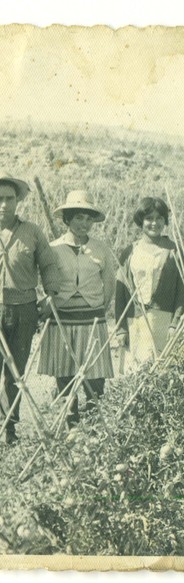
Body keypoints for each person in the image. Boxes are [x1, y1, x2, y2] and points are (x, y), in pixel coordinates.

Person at [38, 190, 115, 427]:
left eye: (88, 218)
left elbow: (110, 282)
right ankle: (69, 423)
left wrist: (100, 307)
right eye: (79, 217)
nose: (84, 223)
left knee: (95, 376)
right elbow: (45, 279)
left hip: (92, 319)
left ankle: (95, 425)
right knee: (64, 374)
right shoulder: (53, 248)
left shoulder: (101, 249)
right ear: (68, 219)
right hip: (62, 319)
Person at [0, 172, 60, 444]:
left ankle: (8, 429)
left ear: (17, 201)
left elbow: (48, 264)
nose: (3, 205)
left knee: (15, 373)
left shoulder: (32, 231)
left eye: (9, 199)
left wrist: (51, 295)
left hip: (23, 310)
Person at [115, 197, 184, 369]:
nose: (154, 223)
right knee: (135, 371)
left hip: (163, 322)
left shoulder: (173, 251)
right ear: (141, 220)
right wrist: (121, 328)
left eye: (159, 218)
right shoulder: (130, 252)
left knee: (159, 372)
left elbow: (182, 291)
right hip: (135, 322)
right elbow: (120, 293)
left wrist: (175, 323)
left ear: (165, 220)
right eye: (149, 218)